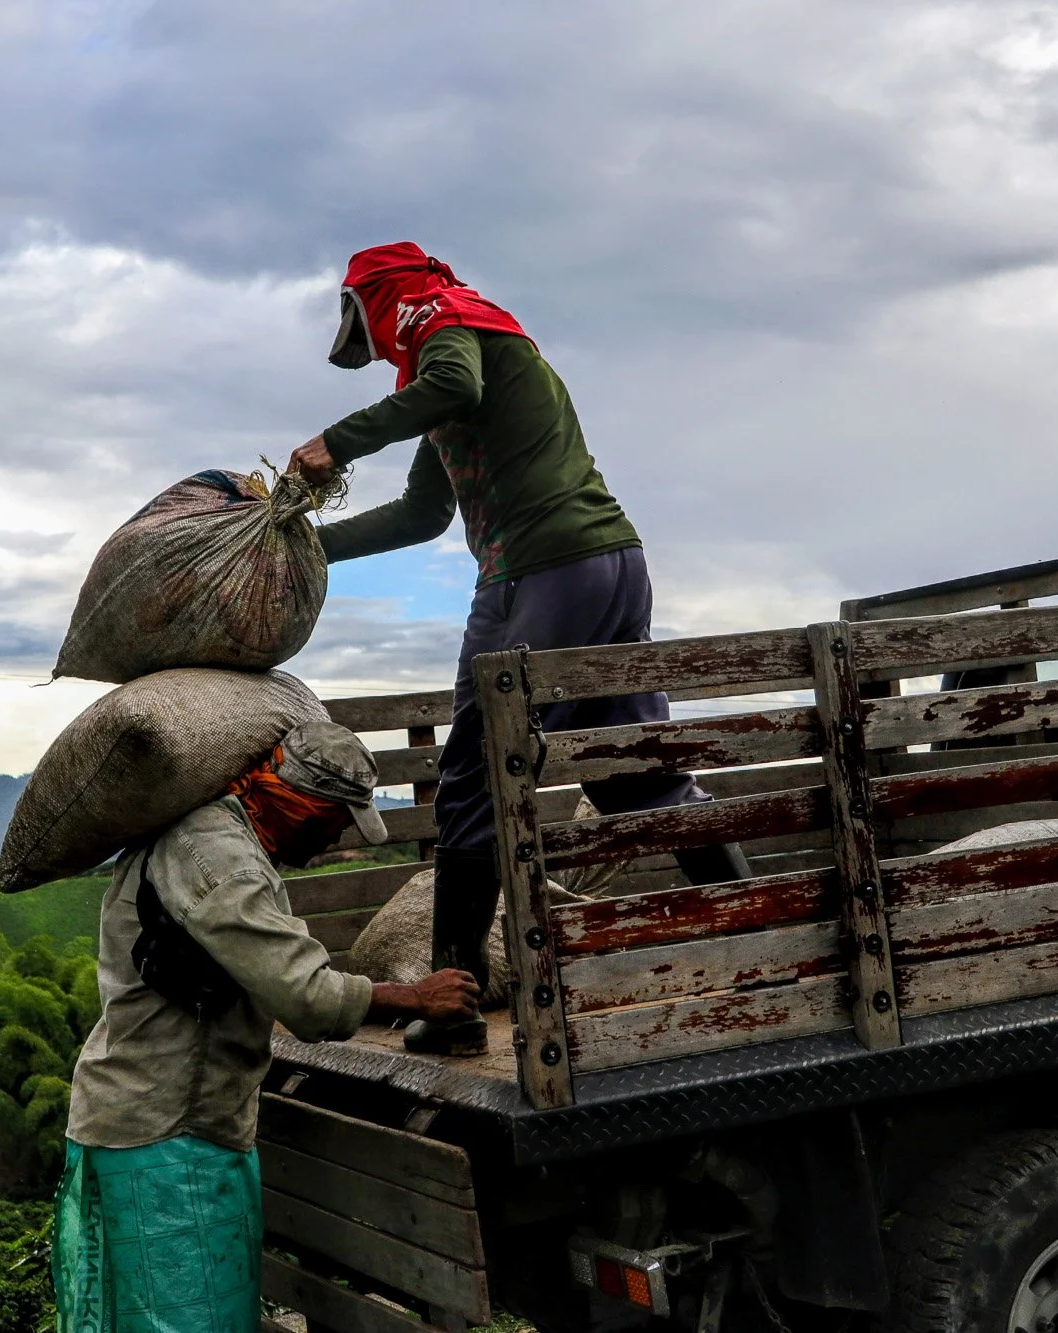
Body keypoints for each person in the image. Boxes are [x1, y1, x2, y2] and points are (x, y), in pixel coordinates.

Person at [288, 241, 749, 1058]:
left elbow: (451, 382)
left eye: (363, 318)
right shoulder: (457, 360)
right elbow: (421, 517)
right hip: (608, 565)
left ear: (382, 300)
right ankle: (768, 933)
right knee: (634, 772)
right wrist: (306, 543)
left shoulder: (444, 324)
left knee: (474, 773)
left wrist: (338, 443)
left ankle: (455, 1001)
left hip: (540, 571)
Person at [54, 719, 480, 1333]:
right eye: (335, 820)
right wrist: (415, 996)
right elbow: (305, 996)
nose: (335, 838)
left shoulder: (207, 835)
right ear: (301, 804)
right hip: (167, 1139)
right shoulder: (221, 861)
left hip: (156, 1126)